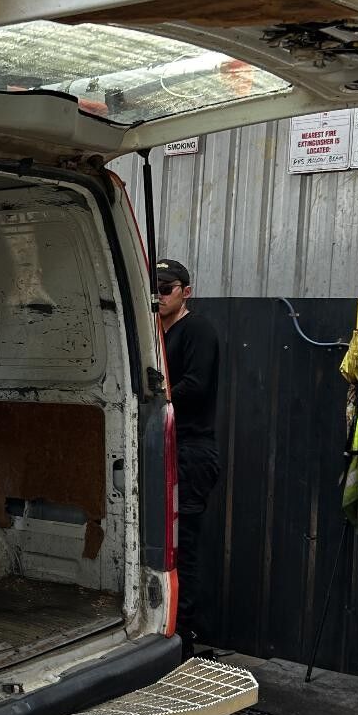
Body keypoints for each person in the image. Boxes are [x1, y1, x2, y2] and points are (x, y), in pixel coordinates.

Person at [155, 258, 221, 657]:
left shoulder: (197, 330)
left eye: (167, 289)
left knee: (184, 548)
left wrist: (153, 399)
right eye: (155, 289)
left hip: (191, 452)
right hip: (162, 447)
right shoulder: (154, 332)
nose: (160, 296)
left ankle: (184, 640)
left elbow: (196, 386)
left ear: (186, 292)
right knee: (163, 547)